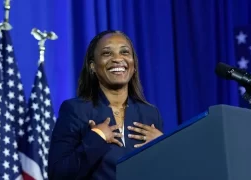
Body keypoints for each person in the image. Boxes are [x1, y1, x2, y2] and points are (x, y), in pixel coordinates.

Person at [47, 30, 164, 180]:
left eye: (125, 52)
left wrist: (163, 147)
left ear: (133, 65)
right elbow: (58, 174)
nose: (117, 59)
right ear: (93, 67)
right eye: (107, 53)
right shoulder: (76, 110)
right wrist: (96, 138)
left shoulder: (150, 113)